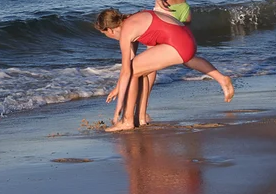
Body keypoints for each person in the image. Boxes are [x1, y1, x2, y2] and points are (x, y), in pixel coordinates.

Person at [95, 8, 233, 132]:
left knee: (134, 69)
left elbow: (127, 71)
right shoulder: (132, 19)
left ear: (110, 30)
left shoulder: (126, 32)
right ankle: (222, 79)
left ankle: (127, 120)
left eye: (104, 33)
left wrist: (117, 110)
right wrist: (118, 87)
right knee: (142, 67)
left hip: (179, 44)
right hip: (187, 39)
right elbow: (130, 66)